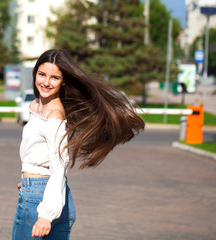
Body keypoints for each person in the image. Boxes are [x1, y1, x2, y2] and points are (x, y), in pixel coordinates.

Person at [12, 49, 145, 239]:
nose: (46, 82)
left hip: (43, 203)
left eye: (54, 78)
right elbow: (35, 151)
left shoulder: (54, 115)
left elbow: (59, 165)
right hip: (40, 190)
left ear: (63, 81)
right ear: (35, 74)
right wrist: (29, 180)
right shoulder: (35, 106)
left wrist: (46, 216)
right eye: (42, 74)